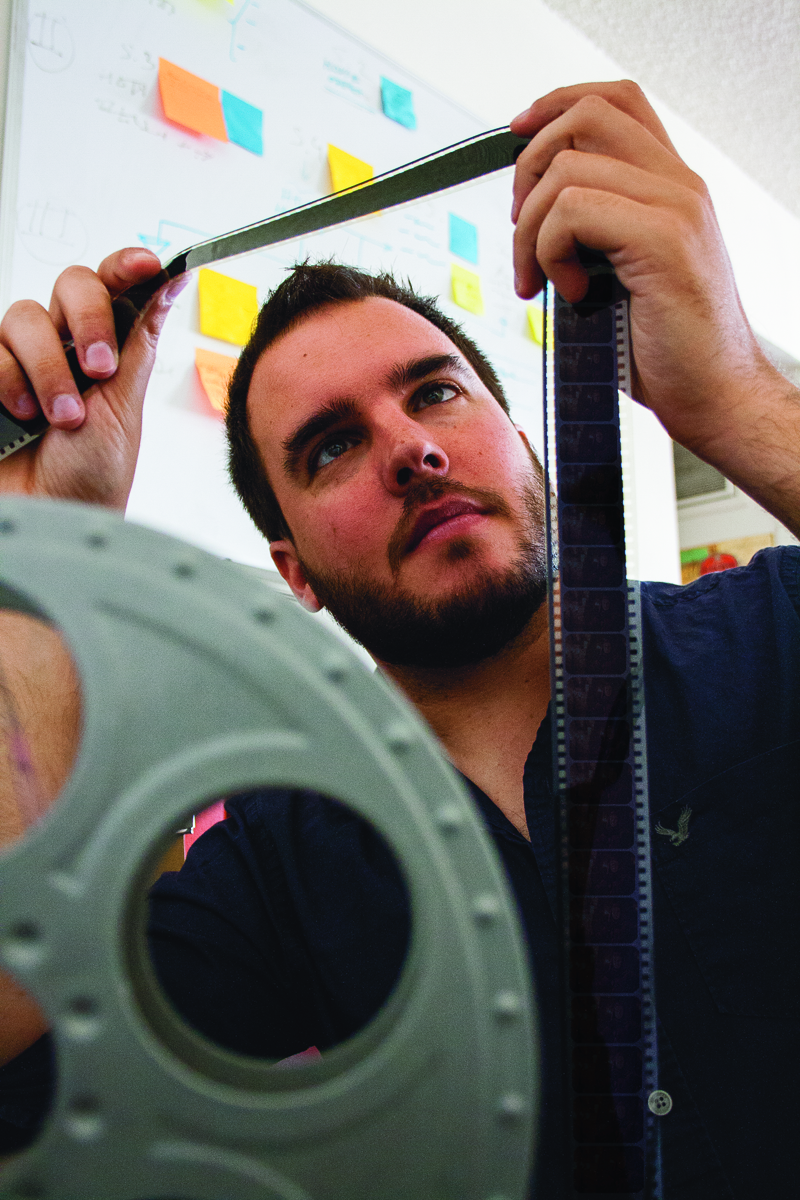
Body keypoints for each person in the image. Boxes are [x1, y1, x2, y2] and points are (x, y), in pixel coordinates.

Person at [0, 81, 798, 1197]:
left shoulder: (770, 633)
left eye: (434, 393)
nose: (408, 449)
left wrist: (734, 396)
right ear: (293, 569)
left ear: (525, 445)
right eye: (328, 448)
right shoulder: (281, 854)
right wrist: (48, 547)